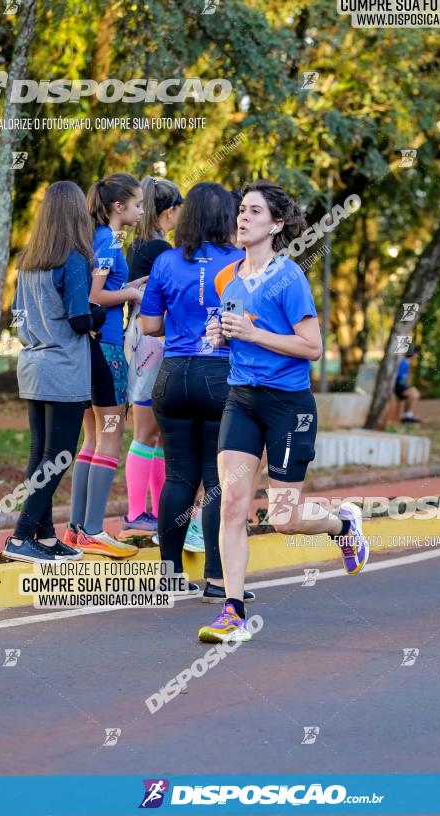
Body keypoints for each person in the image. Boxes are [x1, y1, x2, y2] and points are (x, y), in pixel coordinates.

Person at [198, 180, 369, 643]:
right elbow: (232, 329)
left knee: (282, 518)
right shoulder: (224, 277)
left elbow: (312, 347)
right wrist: (221, 337)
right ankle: (231, 610)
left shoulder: (289, 277)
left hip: (288, 405)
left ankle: (342, 524)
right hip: (241, 399)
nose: (243, 217)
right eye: (241, 210)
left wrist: (253, 335)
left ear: (276, 225)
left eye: (254, 211)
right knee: (231, 503)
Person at [140, 182, 254, 600]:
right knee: (217, 480)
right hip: (219, 376)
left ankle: (168, 576)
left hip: (171, 377)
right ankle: (218, 579)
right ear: (227, 218)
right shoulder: (241, 263)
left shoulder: (167, 262)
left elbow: (149, 326)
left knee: (178, 477)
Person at [3, 181, 106, 564]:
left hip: (32, 365)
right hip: (63, 368)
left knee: (40, 454)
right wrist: (101, 313)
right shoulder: (74, 259)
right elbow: (81, 319)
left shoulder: (28, 260)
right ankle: (20, 536)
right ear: (77, 214)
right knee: (59, 455)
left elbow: (17, 318)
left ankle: (44, 537)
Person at [64, 173, 146, 558]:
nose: (142, 211)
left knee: (92, 439)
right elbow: (96, 296)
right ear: (119, 206)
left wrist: (132, 285)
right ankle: (94, 530)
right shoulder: (109, 240)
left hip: (89, 350)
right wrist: (131, 293)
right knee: (110, 435)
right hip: (107, 349)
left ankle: (77, 530)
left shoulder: (96, 237)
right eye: (138, 204)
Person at [122, 177, 181, 533]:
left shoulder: (142, 244)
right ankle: (134, 514)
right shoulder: (158, 249)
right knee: (145, 432)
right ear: (170, 211)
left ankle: (155, 513)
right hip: (149, 340)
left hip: (145, 339)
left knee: (155, 433)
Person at [395, 346, 421, 423]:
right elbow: (400, 378)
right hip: (398, 387)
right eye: (416, 354)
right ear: (413, 354)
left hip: (401, 385)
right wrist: (407, 387)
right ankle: (407, 415)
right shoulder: (404, 363)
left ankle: (407, 414)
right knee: (414, 394)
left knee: (415, 393)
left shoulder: (407, 362)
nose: (417, 356)